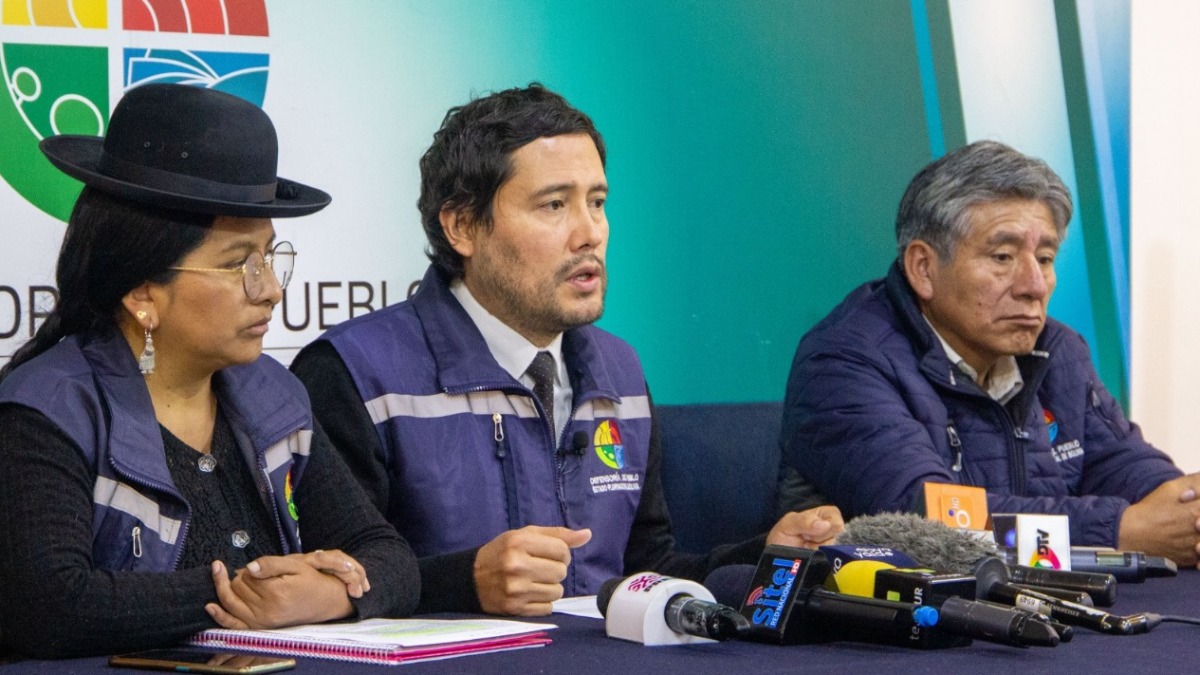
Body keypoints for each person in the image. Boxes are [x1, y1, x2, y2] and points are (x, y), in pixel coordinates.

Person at [291, 83, 843, 616]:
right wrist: (466, 582)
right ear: (462, 226)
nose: (590, 233)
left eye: (597, 202)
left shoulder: (619, 369)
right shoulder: (354, 376)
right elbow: (335, 584)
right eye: (554, 205)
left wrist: (765, 557)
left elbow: (644, 569)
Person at [0, 84, 419, 659]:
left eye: (270, 257)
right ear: (143, 294)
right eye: (239, 264)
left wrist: (324, 594)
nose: (270, 290)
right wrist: (244, 591)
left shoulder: (273, 394)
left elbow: (387, 555)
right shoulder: (46, 409)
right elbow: (47, 607)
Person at [778, 140, 1200, 566]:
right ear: (923, 268)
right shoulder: (844, 362)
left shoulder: (1057, 350)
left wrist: (1185, 509)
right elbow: (929, 520)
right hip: (897, 619)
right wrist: (1119, 531)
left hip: (1041, 605)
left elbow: (1122, 464)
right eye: (1002, 257)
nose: (1034, 285)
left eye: (1046, 257)